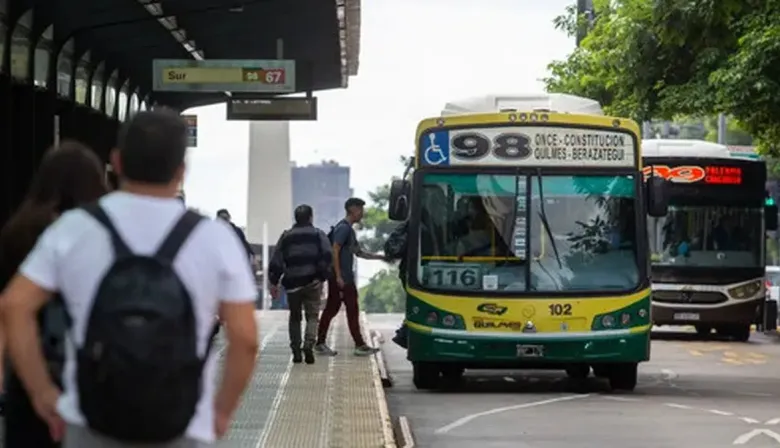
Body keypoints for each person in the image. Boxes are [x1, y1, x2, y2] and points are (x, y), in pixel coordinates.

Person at [0, 110, 260, 447]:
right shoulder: (214, 238)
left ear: (117, 162)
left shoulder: (75, 228)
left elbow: (14, 305)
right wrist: (221, 412)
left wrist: (42, 393)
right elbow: (245, 338)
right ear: (181, 171)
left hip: (90, 423)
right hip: (182, 426)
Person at [0, 141, 107, 448]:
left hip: (28, 369)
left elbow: (6, 307)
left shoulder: (18, 231)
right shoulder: (102, 234)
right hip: (90, 375)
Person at [316, 198, 384, 356]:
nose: (362, 213)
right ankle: (357, 345)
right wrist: (339, 276)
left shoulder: (349, 230)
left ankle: (322, 343)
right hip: (342, 278)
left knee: (335, 309)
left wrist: (380, 257)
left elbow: (359, 253)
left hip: (343, 277)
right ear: (353, 209)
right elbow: (335, 249)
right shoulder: (343, 229)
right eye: (360, 209)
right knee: (348, 309)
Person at [268, 205, 332, 364]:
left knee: (295, 317)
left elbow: (277, 260)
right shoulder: (318, 234)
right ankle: (308, 344)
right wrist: (322, 276)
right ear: (311, 217)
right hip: (312, 282)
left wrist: (274, 282)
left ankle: (296, 350)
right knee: (312, 316)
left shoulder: (286, 236)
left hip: (292, 283)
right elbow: (327, 254)